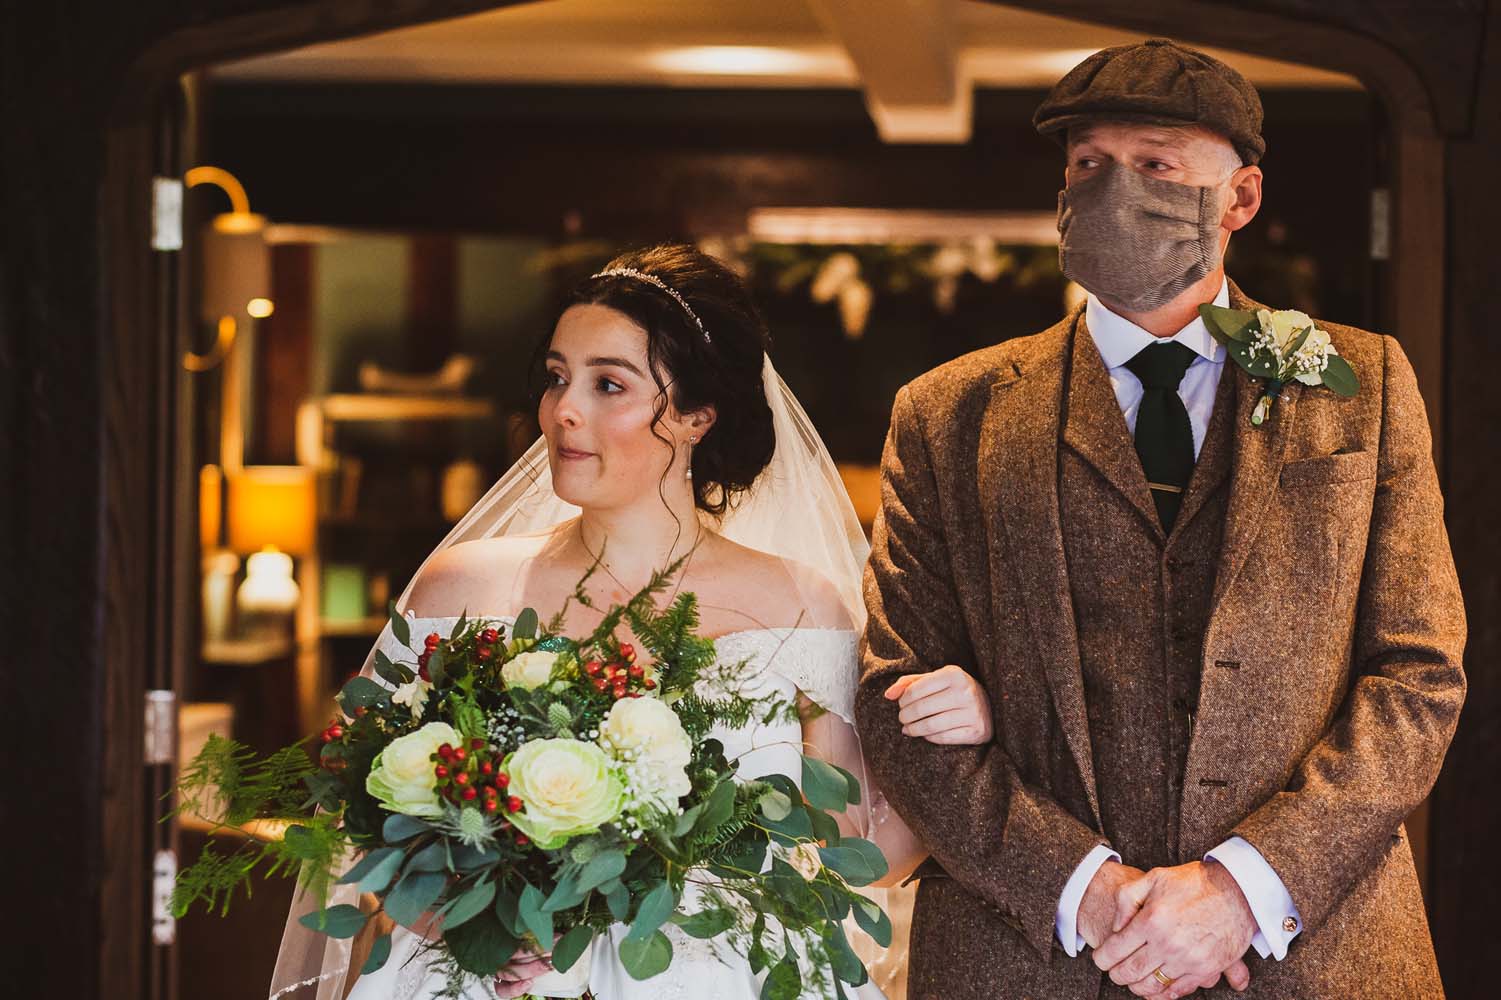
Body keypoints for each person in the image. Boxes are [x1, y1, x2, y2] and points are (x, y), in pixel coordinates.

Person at [856, 39, 1466, 1000]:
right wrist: (1086, 892)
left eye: (1154, 165)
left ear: (1241, 199)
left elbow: (1418, 674)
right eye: (1087, 165)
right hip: (1029, 955)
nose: (1110, 190)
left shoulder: (1361, 384)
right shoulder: (948, 410)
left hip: (1312, 953)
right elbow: (893, 697)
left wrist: (1239, 888)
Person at [268, 245, 994, 1000]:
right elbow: (362, 815)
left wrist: (963, 740)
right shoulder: (459, 587)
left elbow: (859, 850)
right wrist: (460, 919)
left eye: (607, 383)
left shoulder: (798, 605)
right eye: (556, 378)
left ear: (694, 418)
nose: (563, 410)